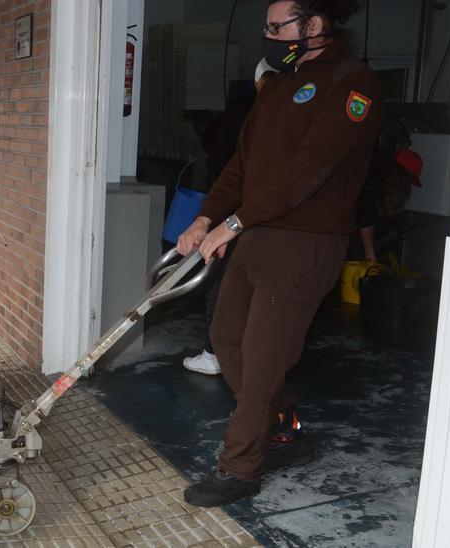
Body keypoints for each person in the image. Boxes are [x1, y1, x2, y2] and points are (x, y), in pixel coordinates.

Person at [175, 0, 383, 507]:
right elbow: (240, 166)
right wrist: (207, 217)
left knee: (265, 360)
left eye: (276, 27)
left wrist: (233, 222)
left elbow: (307, 172)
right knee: (227, 340)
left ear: (313, 25)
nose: (268, 36)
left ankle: (240, 467)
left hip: (306, 242)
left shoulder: (353, 86)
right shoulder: (278, 84)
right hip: (257, 232)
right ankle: (285, 429)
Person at [183, 61, 277, 376]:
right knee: (235, 284)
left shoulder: (257, 114)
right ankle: (225, 351)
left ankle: (216, 353)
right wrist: (206, 219)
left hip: (248, 214)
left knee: (225, 283)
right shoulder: (257, 116)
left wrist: (225, 221)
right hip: (237, 207)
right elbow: (235, 171)